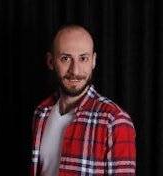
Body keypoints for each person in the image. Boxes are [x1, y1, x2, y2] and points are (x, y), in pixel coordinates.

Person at [30, 23, 136, 176]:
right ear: (50, 61)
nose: (75, 70)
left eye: (83, 58)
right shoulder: (41, 113)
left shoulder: (114, 120)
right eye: (66, 58)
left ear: (93, 61)